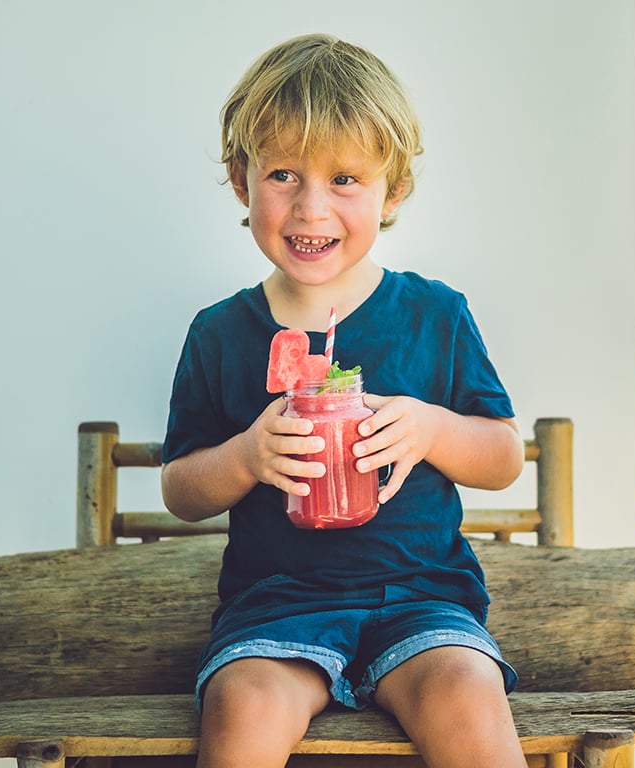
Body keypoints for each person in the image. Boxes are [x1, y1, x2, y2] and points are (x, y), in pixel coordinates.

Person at [161, 32, 529, 768]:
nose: (311, 207)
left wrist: (429, 429)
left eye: (345, 179)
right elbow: (181, 489)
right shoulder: (220, 335)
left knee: (465, 690)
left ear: (392, 190)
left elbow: (503, 457)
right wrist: (246, 455)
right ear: (241, 180)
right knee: (242, 709)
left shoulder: (436, 314)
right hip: (276, 607)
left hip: (423, 601)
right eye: (285, 174)